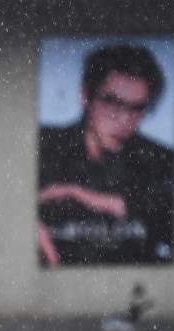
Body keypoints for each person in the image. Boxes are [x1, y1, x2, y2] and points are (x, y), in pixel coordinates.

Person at [39, 45, 174, 266]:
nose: (124, 120)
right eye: (113, 102)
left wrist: (95, 200)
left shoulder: (163, 161)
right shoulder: (42, 145)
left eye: (137, 108)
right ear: (85, 96)